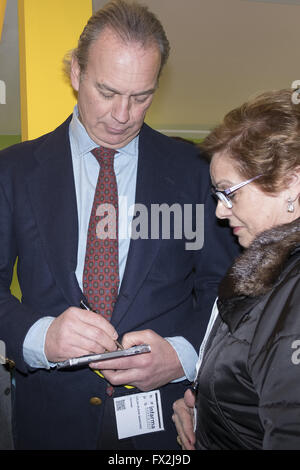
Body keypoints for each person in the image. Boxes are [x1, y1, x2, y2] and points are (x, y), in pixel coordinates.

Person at [0, 0, 238, 450]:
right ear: (76, 72)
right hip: (50, 423)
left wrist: (183, 355)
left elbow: (224, 285)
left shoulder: (194, 170)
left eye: (141, 96)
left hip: (165, 421)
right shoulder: (12, 171)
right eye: (107, 92)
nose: (123, 115)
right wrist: (39, 336)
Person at [172, 88, 300, 450]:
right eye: (218, 196)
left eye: (230, 193)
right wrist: (210, 413)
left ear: (292, 182)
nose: (220, 212)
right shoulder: (269, 271)